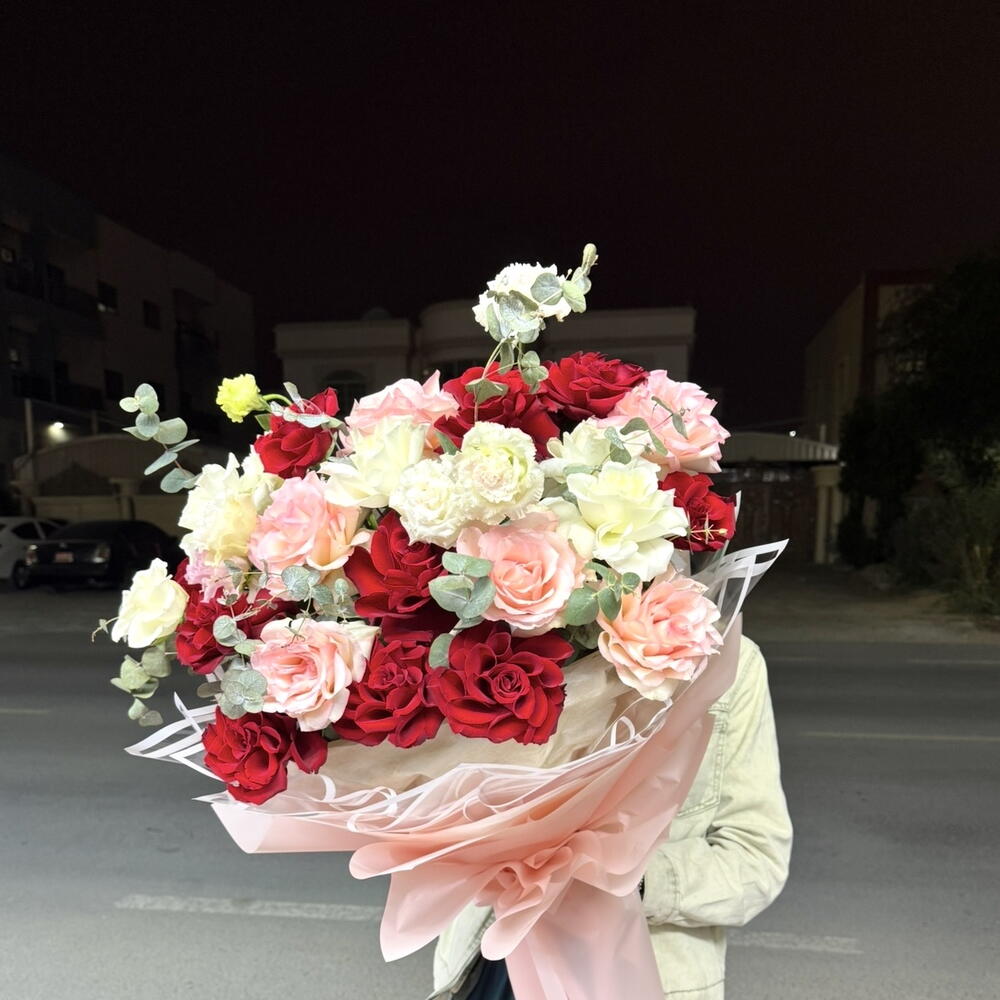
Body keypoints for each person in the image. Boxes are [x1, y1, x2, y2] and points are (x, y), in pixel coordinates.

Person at [427, 635, 793, 1000]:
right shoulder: (489, 644)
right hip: (493, 964)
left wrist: (628, 879)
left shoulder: (726, 660)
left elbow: (756, 859)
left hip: (640, 973)